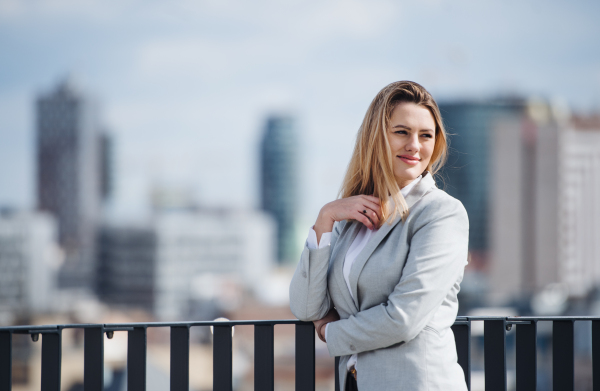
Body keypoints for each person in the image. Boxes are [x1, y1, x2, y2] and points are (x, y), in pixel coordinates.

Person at [289, 81, 469, 391]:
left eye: (426, 135)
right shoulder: (352, 216)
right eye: (402, 132)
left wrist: (332, 333)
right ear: (376, 139)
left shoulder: (441, 213)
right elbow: (306, 307)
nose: (415, 145)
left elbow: (404, 317)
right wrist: (326, 218)